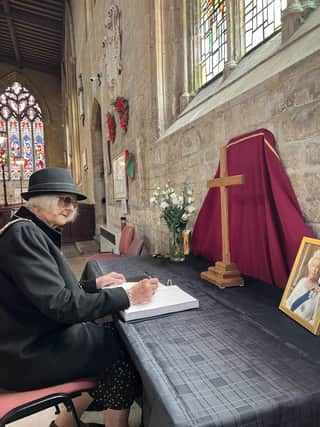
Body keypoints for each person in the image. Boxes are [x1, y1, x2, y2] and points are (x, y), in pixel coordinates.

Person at [0, 167, 158, 427]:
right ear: (40, 199)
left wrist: (93, 284)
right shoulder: (24, 234)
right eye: (64, 200)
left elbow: (44, 291)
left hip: (31, 338)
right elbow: (60, 305)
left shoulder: (28, 229)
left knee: (106, 335)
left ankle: (66, 420)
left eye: (73, 202)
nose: (70, 207)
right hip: (27, 352)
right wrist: (128, 295)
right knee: (123, 350)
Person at [285, 250, 320, 324]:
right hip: (288, 318)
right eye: (313, 266)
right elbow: (288, 301)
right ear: (309, 266)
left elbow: (314, 321)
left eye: (318, 267)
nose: (314, 269)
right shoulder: (302, 281)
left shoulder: (318, 292)